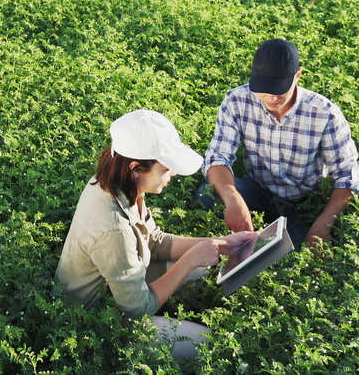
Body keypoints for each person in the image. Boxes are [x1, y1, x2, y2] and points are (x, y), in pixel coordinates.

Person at [55, 109, 257, 359]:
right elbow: (137, 311)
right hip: (95, 321)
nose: (172, 174)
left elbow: (154, 241)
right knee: (205, 342)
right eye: (166, 168)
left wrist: (221, 243)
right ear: (136, 168)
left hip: (116, 285)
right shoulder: (112, 229)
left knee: (200, 268)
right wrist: (191, 258)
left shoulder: (119, 181)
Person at [197, 39, 359, 251]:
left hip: (301, 201)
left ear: (298, 75)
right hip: (258, 189)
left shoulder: (324, 113)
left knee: (299, 251)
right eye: (265, 88)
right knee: (207, 194)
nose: (272, 97)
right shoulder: (236, 101)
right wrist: (233, 199)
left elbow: (347, 175)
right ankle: (257, 230)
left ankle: (281, 233)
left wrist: (322, 227)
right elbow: (218, 157)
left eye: (279, 89)